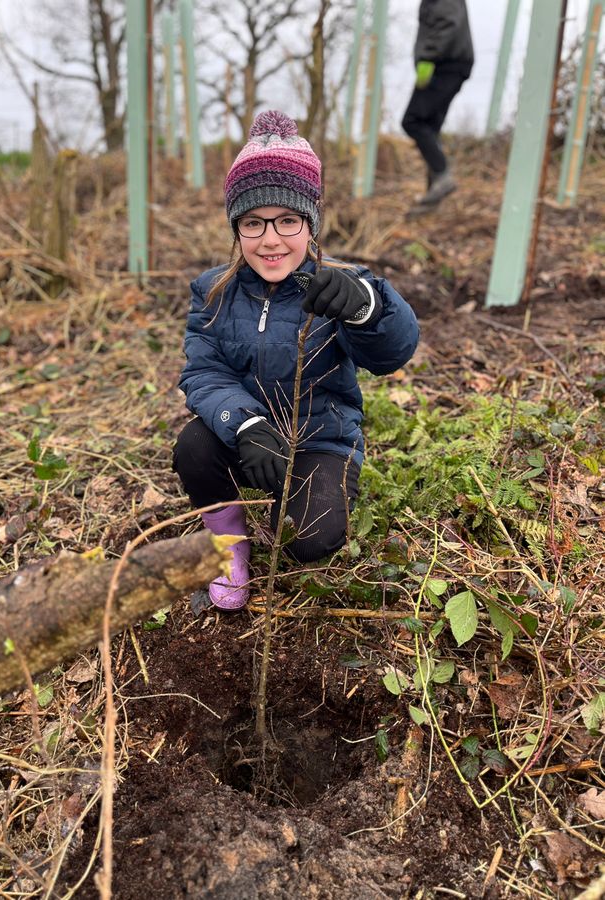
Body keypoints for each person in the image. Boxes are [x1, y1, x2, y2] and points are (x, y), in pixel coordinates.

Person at [172, 110, 419, 610]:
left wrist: (367, 308)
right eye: (253, 223)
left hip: (319, 439)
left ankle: (300, 498)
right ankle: (228, 548)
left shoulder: (336, 284)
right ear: (236, 228)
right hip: (245, 435)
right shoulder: (213, 291)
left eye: (288, 221)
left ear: (311, 223)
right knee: (193, 447)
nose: (271, 239)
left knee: (312, 540)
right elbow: (203, 370)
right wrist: (245, 425)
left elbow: (393, 354)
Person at [401, 0, 474, 208]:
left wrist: (428, 56)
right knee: (429, 128)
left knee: (413, 121)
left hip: (445, 63)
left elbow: (448, 23)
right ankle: (432, 199)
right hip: (451, 62)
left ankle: (442, 177)